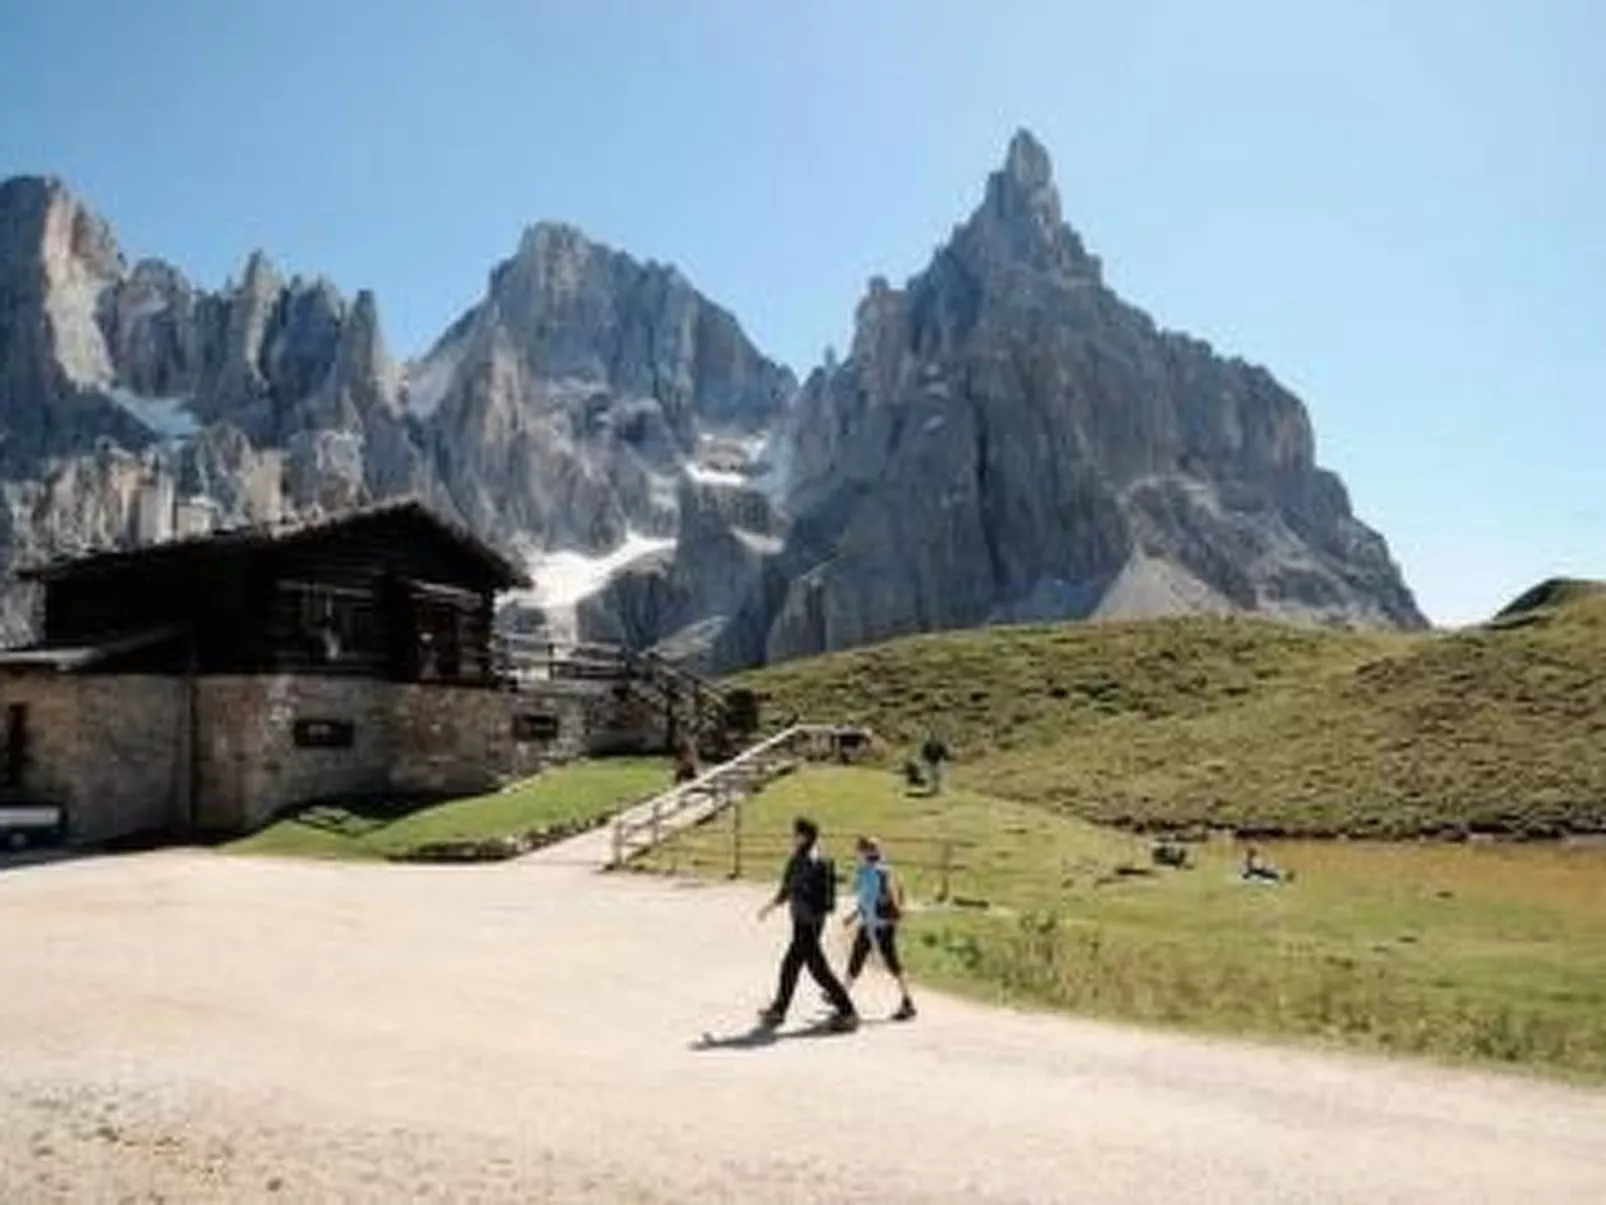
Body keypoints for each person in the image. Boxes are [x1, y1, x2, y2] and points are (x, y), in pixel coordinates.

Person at [756, 817, 859, 1032]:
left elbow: (789, 888)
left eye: (795, 833)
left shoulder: (801, 860)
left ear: (803, 836)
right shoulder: (818, 855)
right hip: (814, 920)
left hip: (805, 922)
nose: (792, 837)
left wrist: (770, 906)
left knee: (818, 970)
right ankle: (779, 1010)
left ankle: (848, 1012)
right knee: (792, 965)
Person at [841, 837, 917, 1021]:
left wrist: (872, 938)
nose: (856, 855)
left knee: (857, 960)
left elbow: (869, 904)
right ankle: (908, 1002)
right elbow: (869, 901)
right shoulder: (883, 870)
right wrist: (852, 917)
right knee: (893, 964)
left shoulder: (868, 874)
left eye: (858, 852)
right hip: (887, 925)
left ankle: (841, 999)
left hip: (873, 926)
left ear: (866, 853)